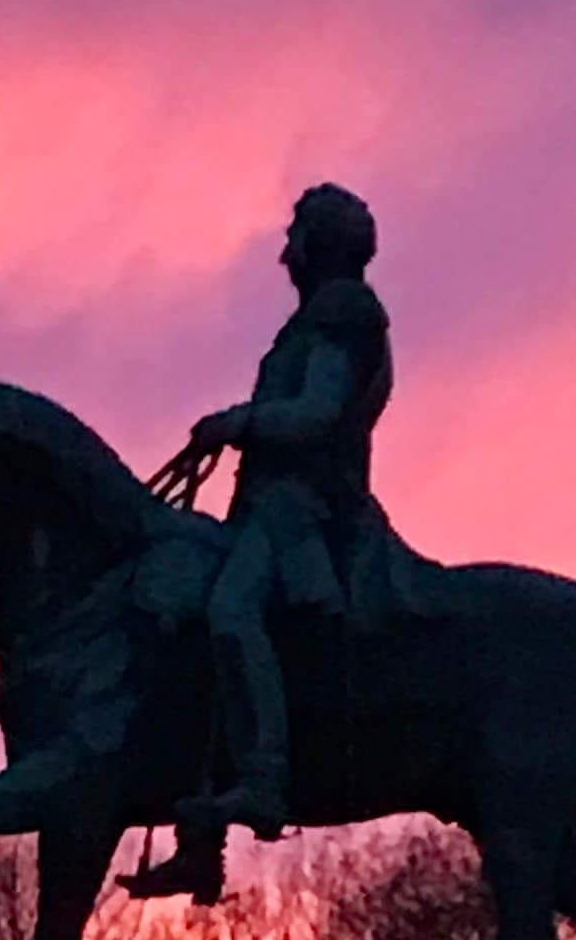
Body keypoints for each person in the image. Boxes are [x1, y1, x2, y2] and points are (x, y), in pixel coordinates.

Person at [134, 184, 393, 897]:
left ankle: (266, 781)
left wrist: (235, 423)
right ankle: (199, 844)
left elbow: (315, 415)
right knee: (191, 621)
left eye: (295, 237)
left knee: (230, 613)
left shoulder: (344, 315)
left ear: (322, 245)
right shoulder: (314, 319)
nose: (284, 253)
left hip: (300, 510)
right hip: (265, 507)